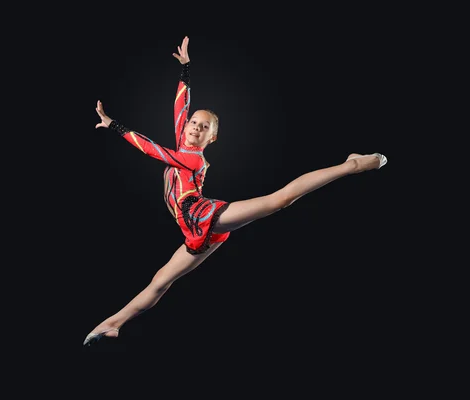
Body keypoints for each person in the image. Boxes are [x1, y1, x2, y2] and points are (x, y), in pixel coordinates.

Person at [83, 36, 387, 346]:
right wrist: (186, 69)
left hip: (203, 214)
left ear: (210, 139)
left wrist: (116, 126)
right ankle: (113, 324)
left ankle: (353, 166)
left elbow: (152, 150)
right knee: (160, 281)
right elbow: (180, 106)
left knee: (280, 200)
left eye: (204, 128)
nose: (196, 127)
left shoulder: (192, 157)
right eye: (194, 123)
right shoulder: (182, 140)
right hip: (193, 232)